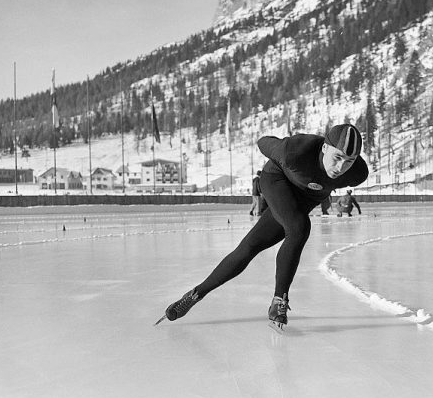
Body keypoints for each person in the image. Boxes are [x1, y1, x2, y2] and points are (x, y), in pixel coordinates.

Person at [156, 123, 368, 331]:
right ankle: (279, 300)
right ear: (324, 147)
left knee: (248, 248)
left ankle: (194, 295)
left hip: (301, 201)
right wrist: (278, 151)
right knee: (299, 227)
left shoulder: (357, 174)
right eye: (337, 157)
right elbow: (263, 142)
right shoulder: (296, 151)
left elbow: (335, 176)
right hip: (277, 181)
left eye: (348, 161)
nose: (340, 167)